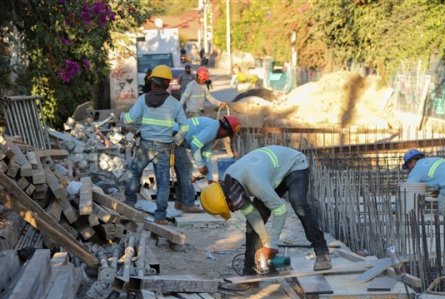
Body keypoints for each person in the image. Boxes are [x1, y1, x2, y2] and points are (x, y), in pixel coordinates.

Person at [200, 145, 332, 276]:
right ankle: (249, 270)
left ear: (227, 199)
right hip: (269, 174)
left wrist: (272, 246)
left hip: (294, 164)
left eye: (227, 207)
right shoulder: (231, 186)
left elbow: (280, 210)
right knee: (253, 224)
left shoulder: (253, 182)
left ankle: (322, 252)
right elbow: (254, 218)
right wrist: (266, 243)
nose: (231, 211)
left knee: (299, 204)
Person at [121, 64, 189, 225]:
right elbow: (185, 127)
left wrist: (123, 116)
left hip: (145, 146)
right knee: (163, 182)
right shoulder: (174, 103)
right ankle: (159, 217)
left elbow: (130, 119)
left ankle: (129, 204)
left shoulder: (142, 100)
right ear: (167, 84)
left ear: (152, 82)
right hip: (164, 148)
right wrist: (177, 140)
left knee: (134, 172)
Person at [174, 115, 241, 213]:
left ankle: (180, 203)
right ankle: (188, 204)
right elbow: (195, 145)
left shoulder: (213, 132)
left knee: (183, 171)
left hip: (178, 139)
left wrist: (210, 179)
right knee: (186, 169)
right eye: (227, 135)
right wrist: (200, 166)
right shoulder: (212, 129)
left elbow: (206, 156)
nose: (225, 137)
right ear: (225, 130)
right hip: (175, 137)